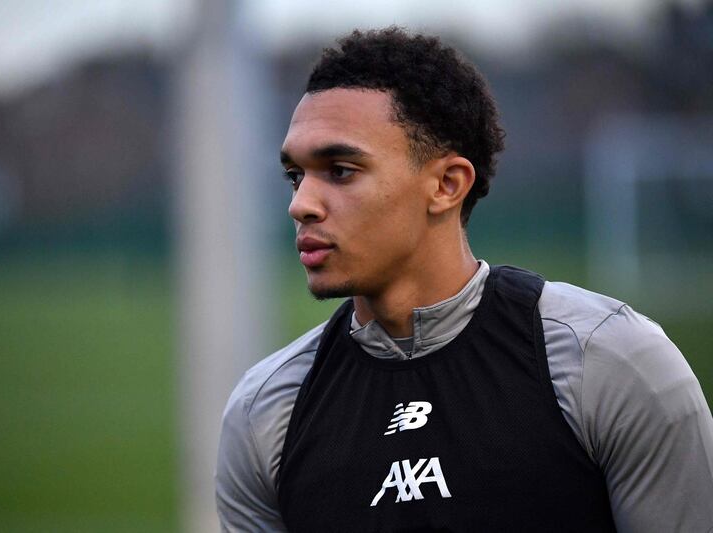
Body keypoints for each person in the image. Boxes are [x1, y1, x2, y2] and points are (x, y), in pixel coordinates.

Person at [215, 27, 713, 532]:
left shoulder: (610, 363)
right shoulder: (266, 413)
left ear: (447, 185)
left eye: (340, 170)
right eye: (296, 176)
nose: (301, 204)